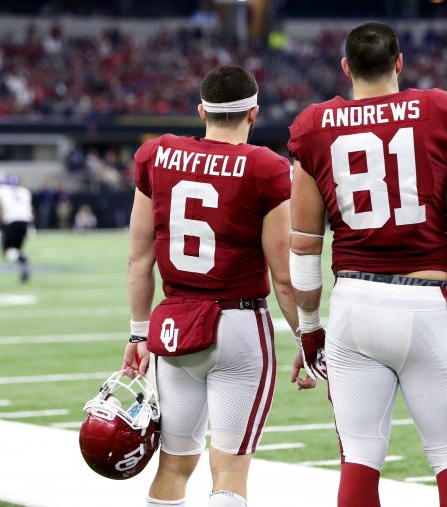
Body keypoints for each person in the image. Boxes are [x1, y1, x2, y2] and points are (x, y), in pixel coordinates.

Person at [288, 22, 447, 507]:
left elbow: (303, 246)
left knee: (360, 458)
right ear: (400, 62)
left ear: (346, 68)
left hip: (353, 305)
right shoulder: (441, 111)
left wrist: (308, 330)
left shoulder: (313, 127)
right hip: (425, 303)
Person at [122, 65, 302, 507]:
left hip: (174, 328)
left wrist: (137, 332)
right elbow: (283, 274)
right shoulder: (265, 166)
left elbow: (138, 258)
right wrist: (308, 336)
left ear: (202, 111)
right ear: (254, 114)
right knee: (230, 468)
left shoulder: (158, 154)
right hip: (238, 326)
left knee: (174, 464)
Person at [0, 175, 34, 282]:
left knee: (6, 252)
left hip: (11, 221)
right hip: (25, 222)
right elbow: (31, 210)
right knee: (16, 250)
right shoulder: (24, 191)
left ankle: (23, 258)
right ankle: (23, 268)